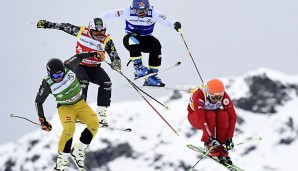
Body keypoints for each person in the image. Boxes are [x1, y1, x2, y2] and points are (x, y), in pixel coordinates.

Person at [36, 18, 122, 128]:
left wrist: (116, 63)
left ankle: (101, 113)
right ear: (90, 29)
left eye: (102, 31)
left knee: (106, 82)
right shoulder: (82, 32)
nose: (99, 34)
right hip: (80, 66)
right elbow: (64, 26)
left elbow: (114, 54)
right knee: (83, 81)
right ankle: (81, 113)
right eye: (96, 32)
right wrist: (48, 24)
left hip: (95, 67)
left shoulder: (106, 40)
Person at [35, 52, 102, 170]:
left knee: (94, 123)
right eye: (55, 76)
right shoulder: (47, 83)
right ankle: (61, 162)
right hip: (65, 108)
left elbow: (80, 56)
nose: (59, 78)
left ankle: (78, 150)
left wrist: (93, 54)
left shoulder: (68, 66)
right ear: (49, 74)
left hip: (80, 104)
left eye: (60, 74)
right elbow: (38, 101)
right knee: (69, 129)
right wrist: (42, 120)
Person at [98, 0, 182, 87]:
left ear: (148, 8)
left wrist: (174, 24)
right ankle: (138, 68)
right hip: (130, 41)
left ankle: (152, 76)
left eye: (145, 10)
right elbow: (111, 14)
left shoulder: (154, 12)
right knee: (134, 37)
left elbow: (166, 20)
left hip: (145, 40)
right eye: (139, 11)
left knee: (156, 44)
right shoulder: (127, 11)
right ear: (134, 9)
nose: (142, 13)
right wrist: (96, 19)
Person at [187, 79, 237, 164]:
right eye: (214, 97)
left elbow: (232, 117)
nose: (217, 100)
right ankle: (208, 145)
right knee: (210, 115)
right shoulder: (199, 95)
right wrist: (210, 137)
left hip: (211, 114)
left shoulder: (224, 96)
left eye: (219, 98)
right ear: (208, 93)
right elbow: (201, 118)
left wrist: (229, 137)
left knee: (223, 115)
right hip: (195, 117)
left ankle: (221, 146)